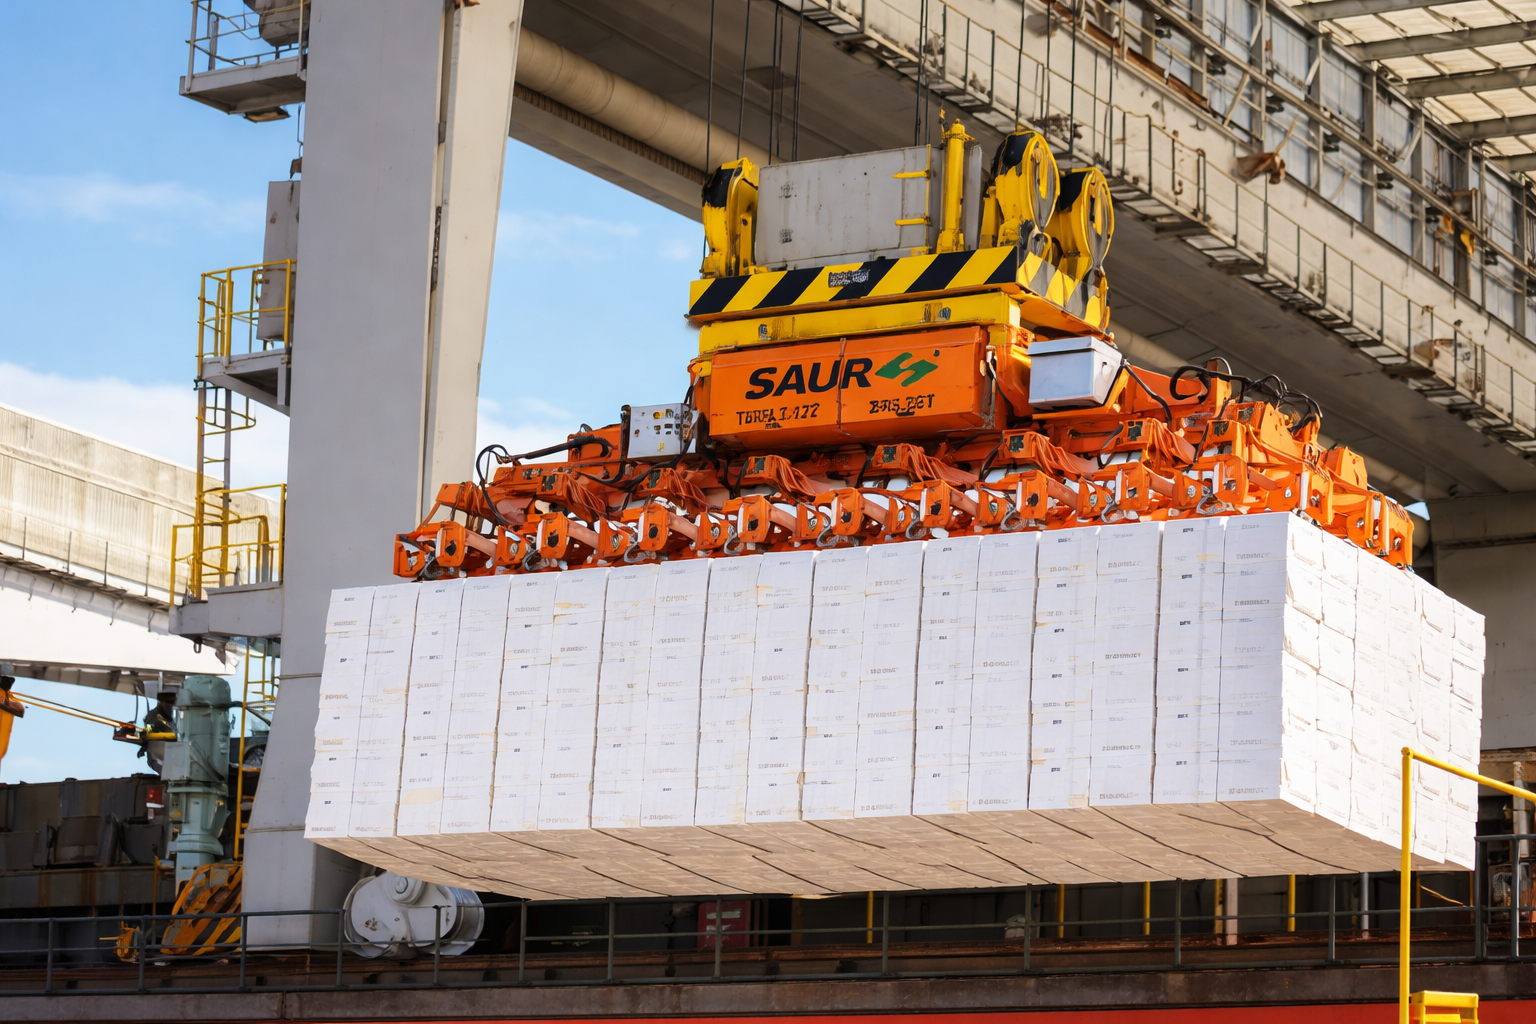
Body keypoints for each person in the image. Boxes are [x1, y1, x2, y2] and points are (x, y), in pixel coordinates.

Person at [141, 689, 178, 774]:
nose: (170, 705)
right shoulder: (152, 717)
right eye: (168, 702)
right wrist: (144, 746)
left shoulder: (184, 714)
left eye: (172, 701)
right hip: (159, 755)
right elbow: (147, 735)